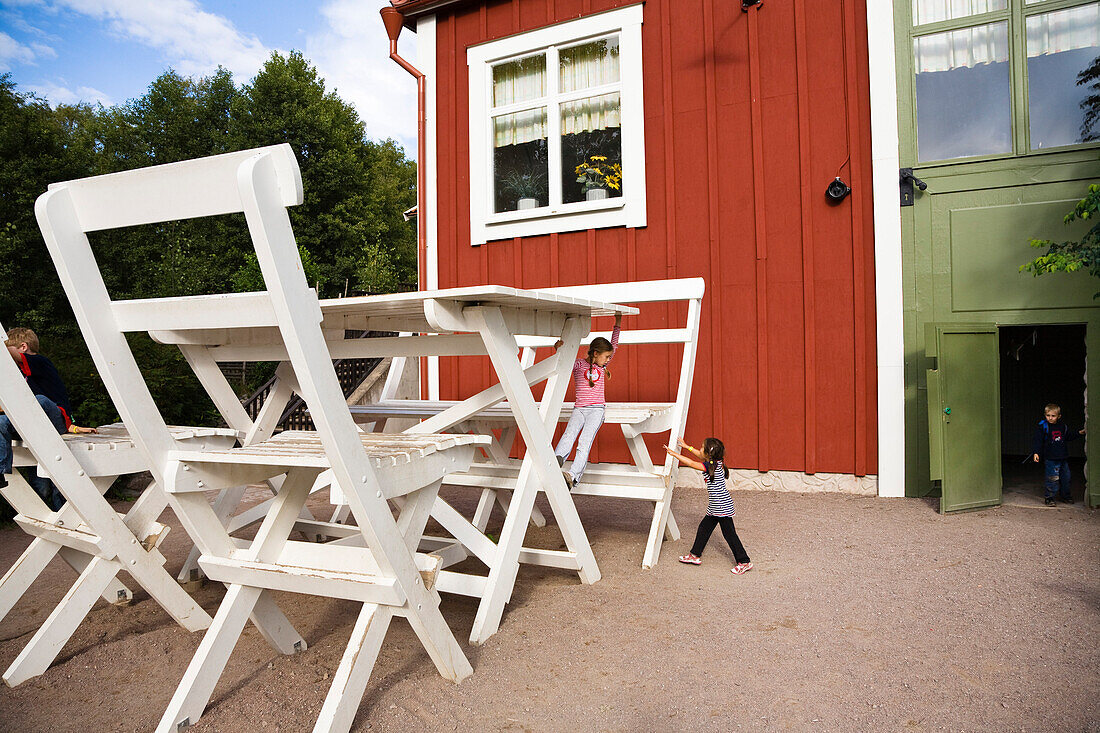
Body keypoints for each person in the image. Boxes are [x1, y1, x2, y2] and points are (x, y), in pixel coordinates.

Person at [1, 327, 96, 510]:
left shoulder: (40, 362)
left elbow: (10, 357)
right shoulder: (20, 375)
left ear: (23, 347)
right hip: (34, 430)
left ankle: (70, 511)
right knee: (42, 488)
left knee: (39, 400)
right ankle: (0, 471)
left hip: (55, 420)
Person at [665, 437, 752, 574]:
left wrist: (674, 454)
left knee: (729, 535)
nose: (700, 450)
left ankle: (744, 561)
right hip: (716, 505)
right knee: (704, 529)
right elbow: (700, 455)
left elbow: (692, 463)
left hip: (721, 506)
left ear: (709, 453)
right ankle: (695, 555)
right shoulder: (716, 462)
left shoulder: (709, 465)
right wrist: (687, 446)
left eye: (702, 447)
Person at [554, 314, 622, 488]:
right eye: (606, 356)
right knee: (569, 435)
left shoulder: (602, 367)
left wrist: (618, 324)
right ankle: (555, 463)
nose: (608, 360)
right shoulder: (578, 365)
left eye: (609, 357)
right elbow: (564, 360)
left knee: (584, 443)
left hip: (596, 410)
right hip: (579, 409)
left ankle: (572, 475)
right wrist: (558, 348)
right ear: (596, 353)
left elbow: (614, 344)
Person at [1031, 403, 1085, 506]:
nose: (1050, 418)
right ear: (1045, 415)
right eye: (1048, 415)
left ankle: (1065, 496)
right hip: (1051, 458)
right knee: (1052, 478)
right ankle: (1049, 497)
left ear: (1058, 416)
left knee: (1066, 478)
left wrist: (1079, 433)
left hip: (1063, 458)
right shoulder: (1043, 427)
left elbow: (1068, 436)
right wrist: (1036, 452)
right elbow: (1037, 441)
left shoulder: (1062, 426)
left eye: (1053, 416)